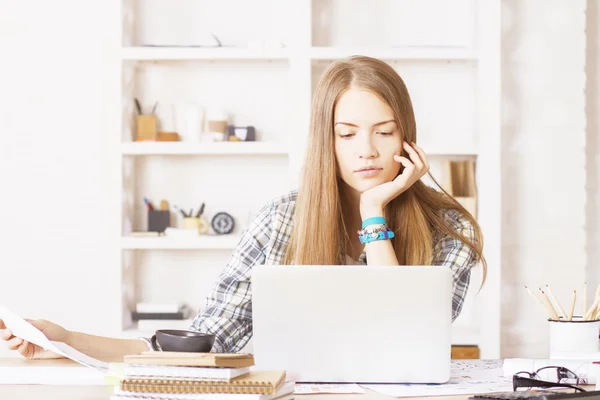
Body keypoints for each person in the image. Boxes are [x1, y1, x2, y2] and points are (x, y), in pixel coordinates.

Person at [0, 55, 486, 361]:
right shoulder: (282, 221)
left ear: (407, 137)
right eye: (347, 134)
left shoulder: (448, 228)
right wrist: (66, 338)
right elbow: (205, 340)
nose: (367, 151)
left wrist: (374, 211)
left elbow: (404, 341)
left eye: (384, 132)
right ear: (326, 141)